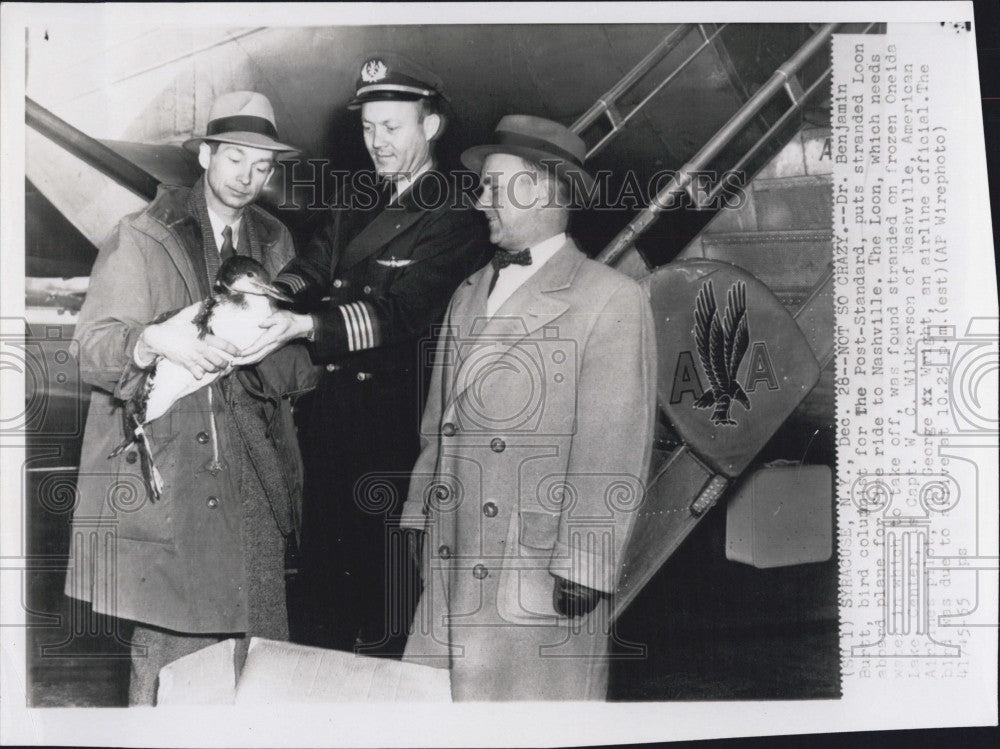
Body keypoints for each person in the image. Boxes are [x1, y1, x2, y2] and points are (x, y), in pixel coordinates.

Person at [65, 91, 318, 705]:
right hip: (174, 482)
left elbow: (285, 366)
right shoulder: (143, 234)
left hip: (254, 480)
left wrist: (290, 355)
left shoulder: (276, 239)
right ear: (205, 155)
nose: (249, 176)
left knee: (251, 667)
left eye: (263, 166)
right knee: (170, 671)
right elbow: (92, 348)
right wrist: (153, 341)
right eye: (236, 158)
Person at [238, 53, 492, 654]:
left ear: (430, 127)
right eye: (368, 127)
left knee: (387, 590)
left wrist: (303, 325)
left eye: (392, 127)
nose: (376, 142)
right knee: (322, 581)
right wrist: (271, 297)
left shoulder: (457, 209)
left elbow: (401, 313)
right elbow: (313, 264)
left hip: (397, 425)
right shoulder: (357, 196)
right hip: (331, 420)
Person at [398, 115, 657, 700]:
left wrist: (586, 563)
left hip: (534, 573)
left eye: (493, 185)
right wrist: (419, 513)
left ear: (539, 189)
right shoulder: (469, 292)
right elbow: (439, 424)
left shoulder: (608, 298)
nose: (480, 199)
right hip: (452, 560)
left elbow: (612, 447)